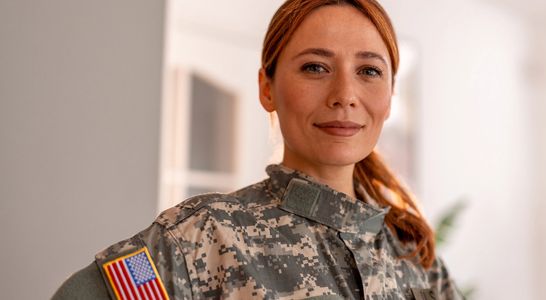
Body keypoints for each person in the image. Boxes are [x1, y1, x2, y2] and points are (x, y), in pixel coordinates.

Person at [53, 0, 464, 299]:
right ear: (267, 88)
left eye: (369, 71)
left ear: (389, 97)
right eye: (315, 67)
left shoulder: (418, 260)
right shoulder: (199, 237)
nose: (345, 95)